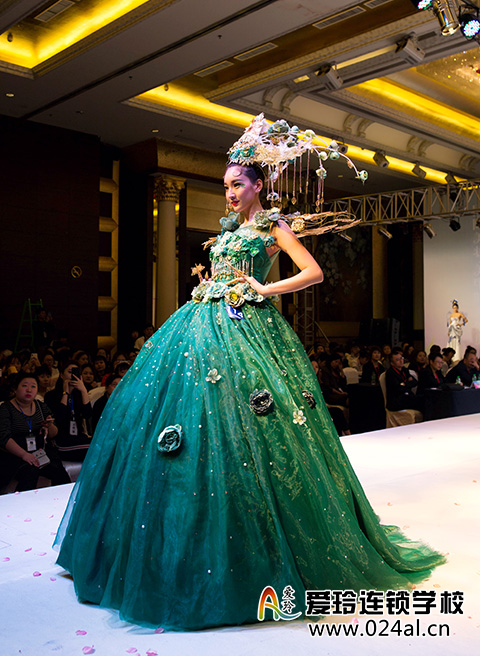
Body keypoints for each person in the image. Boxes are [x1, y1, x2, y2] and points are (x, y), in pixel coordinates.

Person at [54, 115, 444, 631]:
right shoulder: (229, 229)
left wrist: (264, 289)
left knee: (251, 425)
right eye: (226, 186)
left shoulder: (271, 226)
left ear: (259, 185)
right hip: (199, 326)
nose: (230, 193)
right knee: (189, 422)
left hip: (247, 329)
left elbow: (313, 272)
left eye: (237, 184)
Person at [0, 372, 70, 492]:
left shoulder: (41, 406)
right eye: (24, 386)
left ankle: (63, 498)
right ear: (15, 389)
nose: (29, 390)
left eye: (33, 386)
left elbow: (53, 434)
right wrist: (24, 455)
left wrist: (50, 425)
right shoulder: (5, 409)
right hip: (15, 454)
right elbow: (3, 438)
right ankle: (23, 503)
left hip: (39, 452)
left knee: (58, 470)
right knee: (30, 471)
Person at [45, 361, 93, 461]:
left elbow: (87, 415)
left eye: (76, 372)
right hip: (60, 440)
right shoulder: (51, 395)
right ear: (62, 375)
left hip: (78, 437)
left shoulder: (79, 394)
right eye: (70, 372)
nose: (73, 375)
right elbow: (59, 418)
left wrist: (84, 391)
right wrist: (65, 393)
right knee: (96, 448)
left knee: (101, 443)